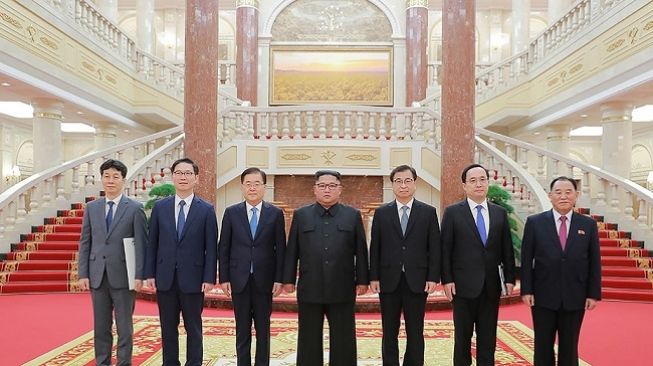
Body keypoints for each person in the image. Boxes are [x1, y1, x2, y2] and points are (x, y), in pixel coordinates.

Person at [282, 170, 369, 366]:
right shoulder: (301, 215)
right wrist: (288, 279)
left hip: (343, 287)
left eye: (332, 186)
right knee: (309, 338)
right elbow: (292, 250)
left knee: (344, 337)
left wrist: (363, 280)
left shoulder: (352, 215)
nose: (327, 189)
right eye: (322, 186)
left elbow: (361, 251)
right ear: (314, 189)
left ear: (340, 189)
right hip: (310, 287)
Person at [145, 158, 218, 366]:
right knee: (167, 326)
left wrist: (209, 277)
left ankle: (194, 363)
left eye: (188, 173)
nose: (183, 177)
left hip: (194, 279)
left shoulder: (206, 209)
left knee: (193, 327)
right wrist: (150, 273)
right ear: (173, 176)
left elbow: (211, 247)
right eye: (179, 173)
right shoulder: (160, 208)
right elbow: (153, 243)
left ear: (196, 178)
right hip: (165, 276)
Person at [521, 176, 601, 366]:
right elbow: (526, 259)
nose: (563, 196)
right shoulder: (535, 222)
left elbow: (594, 261)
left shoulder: (588, 225)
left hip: (575, 296)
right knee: (542, 345)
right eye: (558, 192)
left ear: (576, 195)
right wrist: (526, 290)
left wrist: (593, 293)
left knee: (569, 347)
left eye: (568, 192)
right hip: (542, 296)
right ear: (550, 196)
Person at [441, 163, 516, 366]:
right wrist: (447, 280)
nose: (478, 184)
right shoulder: (453, 213)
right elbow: (445, 249)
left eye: (482, 179)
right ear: (464, 186)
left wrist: (510, 278)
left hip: (491, 287)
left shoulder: (499, 213)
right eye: (473, 181)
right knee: (462, 340)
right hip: (462, 287)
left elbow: (506, 248)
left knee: (488, 339)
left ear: (487, 183)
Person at [77, 159, 147, 366]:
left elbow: (142, 245)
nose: (110, 180)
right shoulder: (92, 208)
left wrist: (139, 276)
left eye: (115, 177)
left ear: (123, 180)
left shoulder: (135, 208)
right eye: (106, 176)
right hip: (97, 275)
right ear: (101, 179)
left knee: (124, 327)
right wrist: (83, 274)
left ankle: (124, 363)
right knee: (101, 326)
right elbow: (85, 241)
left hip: (125, 276)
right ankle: (102, 362)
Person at [369, 165, 441, 366]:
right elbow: (375, 247)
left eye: (407, 181)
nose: (403, 185)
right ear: (392, 185)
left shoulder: (428, 212)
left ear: (415, 184)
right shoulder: (382, 213)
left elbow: (434, 248)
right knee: (389, 330)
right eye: (398, 181)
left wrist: (433, 277)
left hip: (417, 280)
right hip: (388, 280)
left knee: (415, 330)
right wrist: (373, 276)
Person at [218, 167, 286, 366]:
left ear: (264, 187)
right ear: (242, 187)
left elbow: (281, 248)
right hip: (239, 280)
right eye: (248, 184)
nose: (252, 188)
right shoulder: (231, 213)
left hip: (265, 281)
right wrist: (224, 278)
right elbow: (224, 247)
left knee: (263, 330)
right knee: (242, 329)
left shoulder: (275, 213)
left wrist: (279, 278)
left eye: (257, 184)